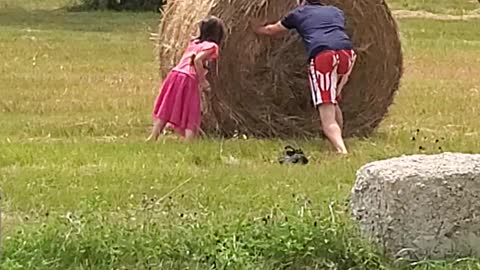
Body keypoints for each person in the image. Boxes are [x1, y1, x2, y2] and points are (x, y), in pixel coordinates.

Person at [252, 0, 356, 154]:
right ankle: (338, 140)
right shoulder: (335, 11)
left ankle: (342, 151)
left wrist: (255, 28)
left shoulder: (299, 13)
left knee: (326, 112)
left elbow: (271, 30)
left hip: (324, 58)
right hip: (347, 54)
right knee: (333, 100)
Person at [147, 16, 225, 142]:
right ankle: (189, 141)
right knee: (191, 109)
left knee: (168, 105)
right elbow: (198, 60)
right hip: (188, 78)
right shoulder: (212, 46)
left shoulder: (194, 42)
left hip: (175, 74)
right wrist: (203, 81)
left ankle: (154, 136)